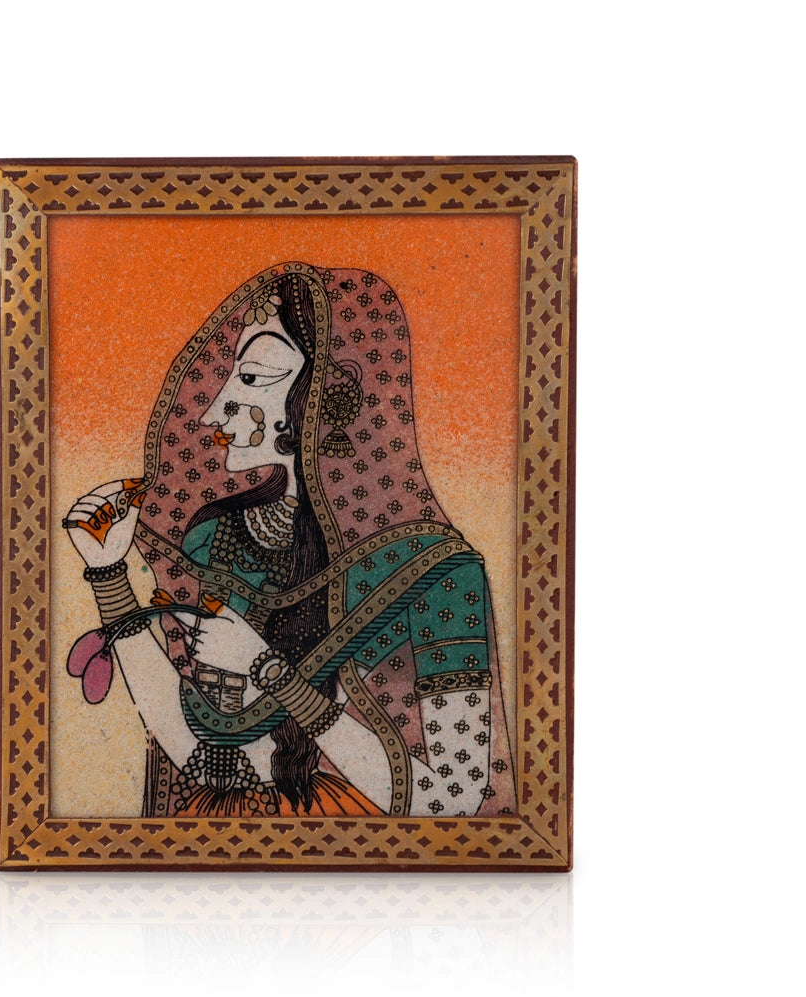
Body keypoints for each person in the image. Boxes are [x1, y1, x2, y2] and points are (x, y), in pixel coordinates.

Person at [65, 262, 516, 818]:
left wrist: (267, 669)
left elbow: (451, 800)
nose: (214, 411)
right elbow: (202, 759)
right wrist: (108, 573)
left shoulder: (433, 572)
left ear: (327, 398)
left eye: (252, 379)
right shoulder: (221, 537)